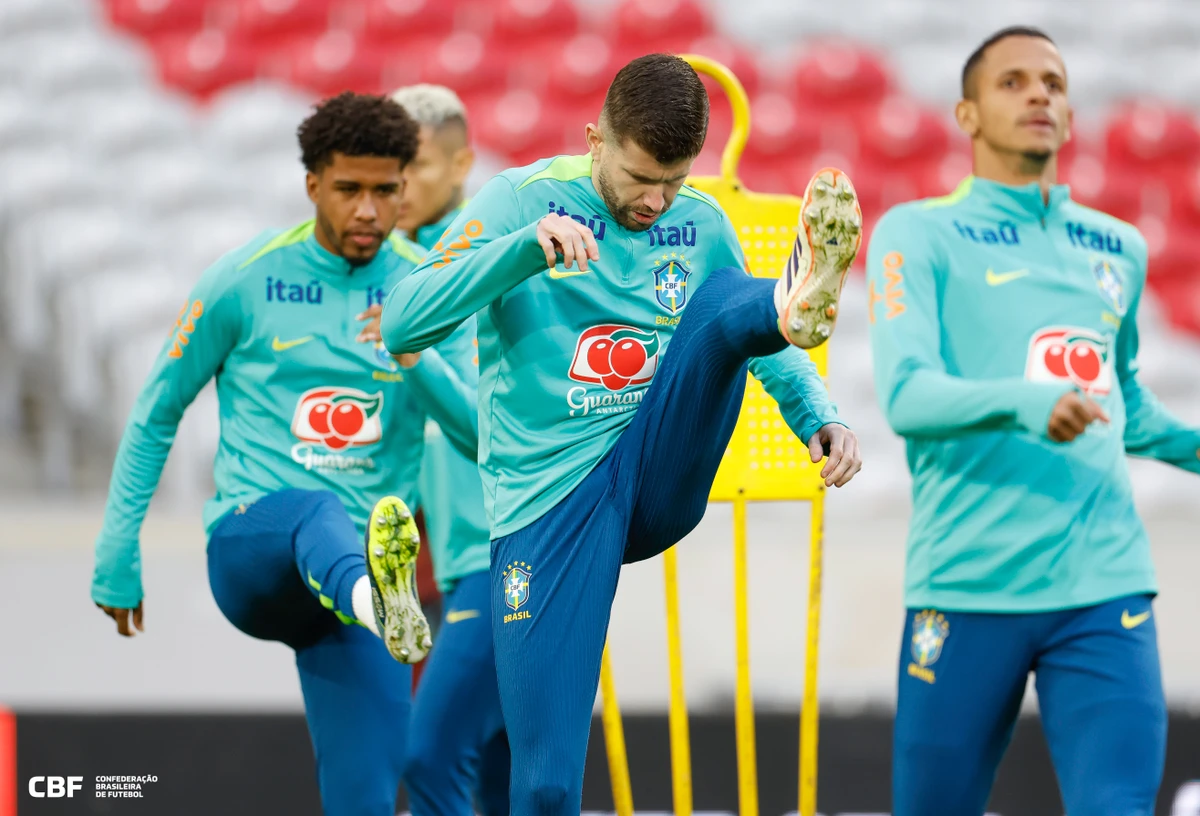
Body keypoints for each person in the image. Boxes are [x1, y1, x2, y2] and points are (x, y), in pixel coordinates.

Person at [379, 54, 864, 814]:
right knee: (542, 786)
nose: (657, 200)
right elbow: (404, 320)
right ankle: (777, 300)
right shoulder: (522, 200)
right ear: (595, 138)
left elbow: (757, 350)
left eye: (675, 178)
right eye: (642, 177)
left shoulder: (696, 220)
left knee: (720, 316)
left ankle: (788, 295)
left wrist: (820, 416)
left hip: (655, 467)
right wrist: (522, 252)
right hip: (551, 504)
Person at [866, 26, 1200, 816]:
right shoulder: (916, 233)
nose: (1039, 95)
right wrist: (1026, 402)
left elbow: (1121, 405)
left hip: (1103, 585)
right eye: (1012, 82)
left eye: (1052, 82)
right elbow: (907, 397)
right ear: (967, 115)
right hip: (968, 581)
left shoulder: (1117, 246)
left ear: (1073, 116)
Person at [91, 92, 436, 816]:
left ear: (407, 185)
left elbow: (473, 431)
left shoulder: (427, 288)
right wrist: (118, 552)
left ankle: (372, 601)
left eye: (385, 190)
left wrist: (415, 359)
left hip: (360, 589)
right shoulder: (244, 279)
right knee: (315, 509)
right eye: (349, 190)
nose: (368, 211)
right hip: (257, 553)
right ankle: (375, 599)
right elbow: (158, 410)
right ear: (312, 184)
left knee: (368, 799)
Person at [367, 82, 511, 816]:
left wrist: (408, 353)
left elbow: (486, 430)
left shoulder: (490, 268)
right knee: (499, 776)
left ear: (463, 166)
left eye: (413, 166)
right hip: (452, 560)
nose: (395, 185)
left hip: (506, 550)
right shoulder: (389, 270)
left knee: (430, 758)